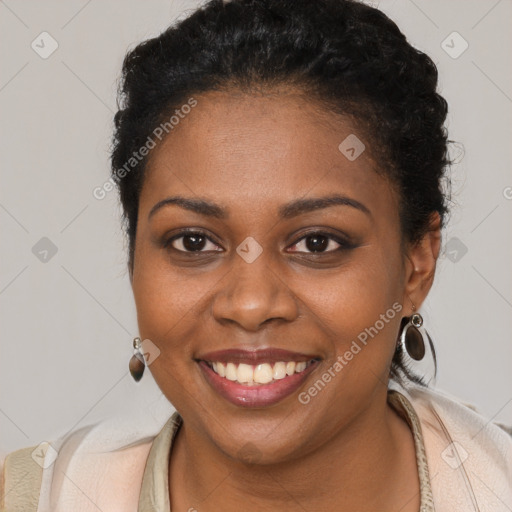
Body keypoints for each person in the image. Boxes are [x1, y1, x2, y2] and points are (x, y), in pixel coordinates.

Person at [2, 0, 511, 510]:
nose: (250, 304)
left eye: (317, 243)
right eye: (193, 242)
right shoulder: (33, 497)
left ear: (416, 265)